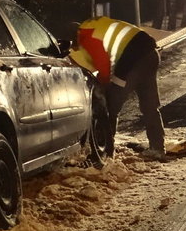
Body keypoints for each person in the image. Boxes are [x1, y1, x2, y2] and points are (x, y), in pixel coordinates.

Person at [69, 16, 166, 159]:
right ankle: (158, 148)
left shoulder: (86, 35)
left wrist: (104, 86)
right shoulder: (93, 26)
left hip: (132, 60)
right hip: (151, 54)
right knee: (150, 106)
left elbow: (103, 65)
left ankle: (107, 151)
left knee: (111, 105)